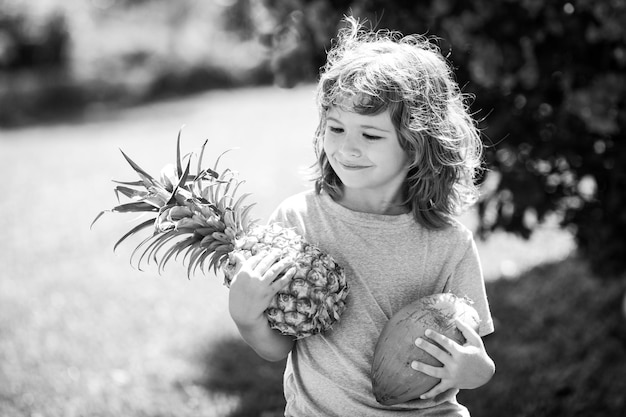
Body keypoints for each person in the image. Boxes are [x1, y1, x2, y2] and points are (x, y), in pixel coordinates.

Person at [228, 17, 495, 416]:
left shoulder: (448, 243)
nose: (347, 148)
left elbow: (476, 357)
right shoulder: (299, 221)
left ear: (418, 144)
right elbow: (277, 347)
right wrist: (246, 317)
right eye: (335, 128)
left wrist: (473, 370)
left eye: (370, 135)